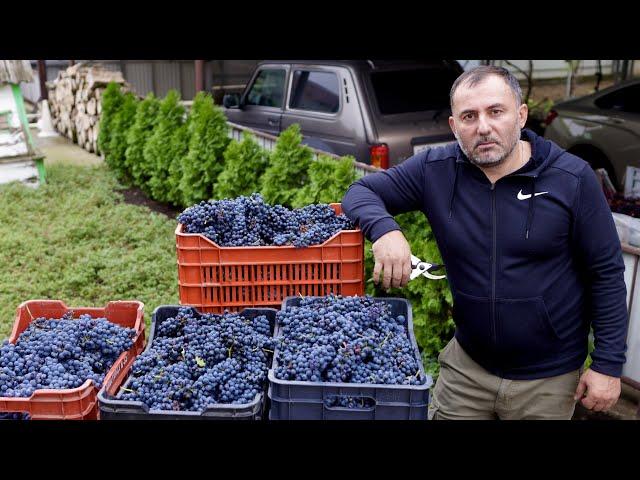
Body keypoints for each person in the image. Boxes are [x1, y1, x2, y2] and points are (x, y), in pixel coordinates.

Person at [341, 66, 629, 420]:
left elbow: (606, 273)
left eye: (496, 111)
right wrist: (385, 230)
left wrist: (608, 364)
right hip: (468, 370)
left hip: (547, 381)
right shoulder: (436, 169)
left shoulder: (572, 178)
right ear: (454, 126)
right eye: (469, 116)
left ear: (521, 115)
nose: (483, 127)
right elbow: (360, 191)